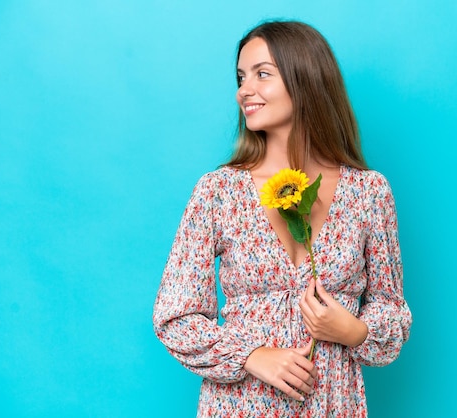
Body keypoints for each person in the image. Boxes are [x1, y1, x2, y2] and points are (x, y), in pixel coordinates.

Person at [153, 20, 412, 417]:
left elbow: (390, 310)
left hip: (333, 403)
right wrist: (252, 355)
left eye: (262, 74)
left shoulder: (369, 192)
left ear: (304, 79)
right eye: (241, 77)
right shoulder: (218, 191)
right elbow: (175, 317)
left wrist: (353, 331)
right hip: (240, 405)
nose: (244, 90)